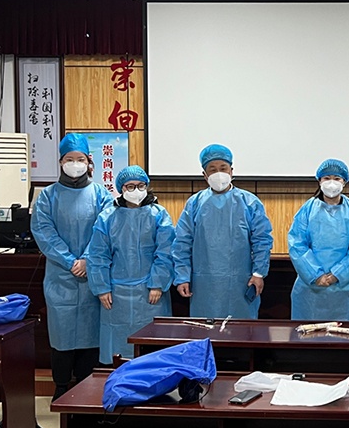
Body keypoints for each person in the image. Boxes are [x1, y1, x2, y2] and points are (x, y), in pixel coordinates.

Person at [30, 133, 113, 399]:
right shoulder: (48, 197)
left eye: (80, 159)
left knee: (90, 337)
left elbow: (104, 230)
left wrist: (88, 258)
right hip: (60, 278)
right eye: (69, 159)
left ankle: (87, 393)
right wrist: (70, 261)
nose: (75, 164)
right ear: (60, 162)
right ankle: (61, 387)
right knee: (62, 337)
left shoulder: (101, 195)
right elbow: (44, 232)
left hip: (93, 276)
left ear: (89, 162)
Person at [172, 144, 273, 319]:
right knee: (205, 329)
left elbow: (262, 240)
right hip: (204, 285)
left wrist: (258, 273)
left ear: (231, 171)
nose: (219, 173)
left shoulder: (249, 203)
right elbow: (182, 242)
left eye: (223, 168)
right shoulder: (195, 204)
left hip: (242, 282)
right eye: (212, 170)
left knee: (240, 330)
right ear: (205, 175)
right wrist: (182, 277)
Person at [86, 166, 175, 365]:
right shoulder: (107, 217)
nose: (136, 190)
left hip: (151, 292)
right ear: (122, 189)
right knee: (118, 349)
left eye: (141, 185)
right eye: (130, 186)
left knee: (152, 349)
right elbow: (98, 256)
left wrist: (157, 283)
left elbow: (166, 251)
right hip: (115, 293)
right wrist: (102, 288)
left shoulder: (158, 215)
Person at [288, 159, 349, 321]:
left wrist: (337, 274)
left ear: (344, 181)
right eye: (327, 178)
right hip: (310, 288)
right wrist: (316, 275)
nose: (331, 183)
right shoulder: (307, 210)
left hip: (345, 288)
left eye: (337, 178)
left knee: (344, 334)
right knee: (309, 334)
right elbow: (297, 244)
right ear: (319, 181)